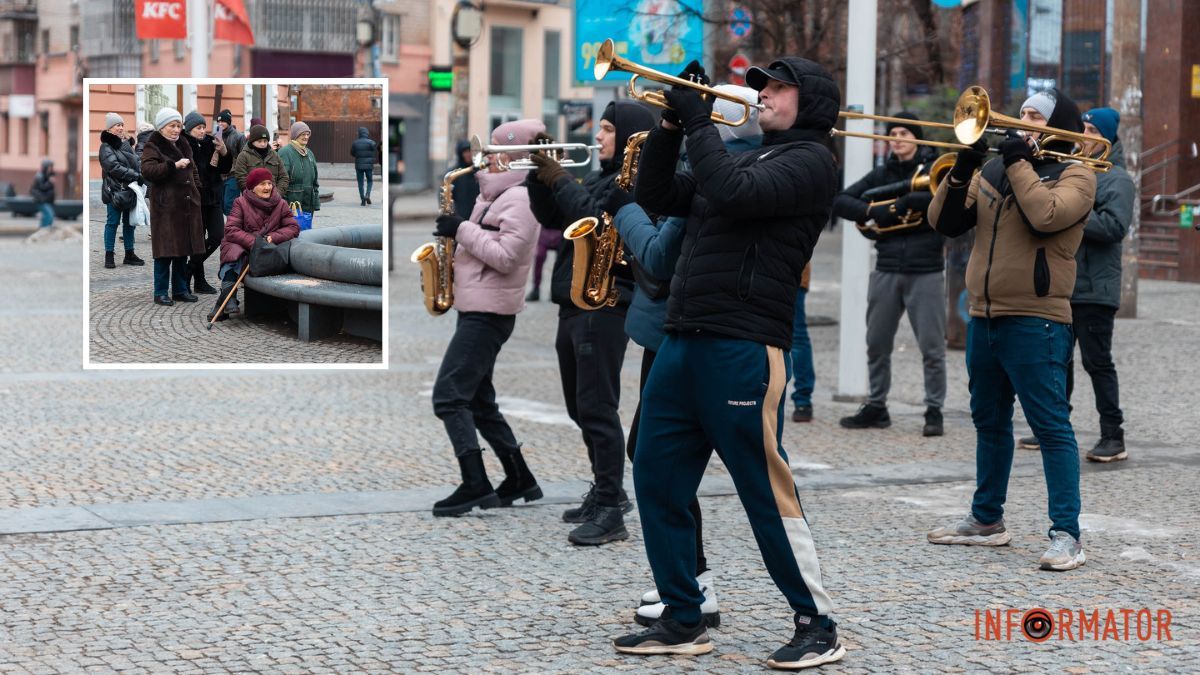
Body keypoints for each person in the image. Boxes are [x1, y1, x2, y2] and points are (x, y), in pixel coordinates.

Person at [613, 57, 845, 669]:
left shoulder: (813, 163)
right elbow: (659, 194)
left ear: (810, 102)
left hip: (744, 347)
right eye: (761, 88)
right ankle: (683, 615)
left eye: (776, 89)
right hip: (684, 339)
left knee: (764, 491)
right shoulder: (749, 157)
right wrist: (669, 128)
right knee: (656, 478)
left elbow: (732, 193)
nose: (762, 96)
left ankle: (817, 623)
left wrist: (698, 124)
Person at [609, 83, 764, 631]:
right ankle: (688, 583)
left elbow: (656, 256)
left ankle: (697, 585)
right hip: (670, 332)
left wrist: (623, 210)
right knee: (659, 459)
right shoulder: (708, 169)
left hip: (688, 334)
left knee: (666, 461)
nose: (602, 137)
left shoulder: (720, 176)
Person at [926, 88, 1096, 571]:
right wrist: (963, 169)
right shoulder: (996, 170)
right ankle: (986, 520)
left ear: (1057, 125)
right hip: (984, 314)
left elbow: (1046, 216)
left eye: (1033, 116)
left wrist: (1018, 162)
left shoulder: (1078, 175)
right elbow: (944, 222)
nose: (1021, 121)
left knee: (1051, 428)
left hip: (1037, 319)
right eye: (1020, 113)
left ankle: (1067, 534)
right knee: (989, 422)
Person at [524, 100, 656, 546]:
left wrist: (559, 176)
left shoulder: (635, 184)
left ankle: (610, 509)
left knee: (598, 406)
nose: (597, 137)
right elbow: (552, 218)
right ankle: (609, 491)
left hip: (606, 304)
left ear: (630, 137)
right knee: (578, 407)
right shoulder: (603, 176)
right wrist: (538, 174)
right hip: (575, 300)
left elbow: (594, 221)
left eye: (606, 130)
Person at [428, 119, 545, 517]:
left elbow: (506, 256)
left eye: (493, 152)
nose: (484, 159)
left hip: (489, 312)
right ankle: (520, 477)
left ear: (513, 156)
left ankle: (475, 483)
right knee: (479, 401)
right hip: (478, 306)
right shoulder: (497, 194)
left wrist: (460, 229)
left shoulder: (521, 198)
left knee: (449, 395)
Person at [1018, 108, 1133, 463]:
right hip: (1065, 283)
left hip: (1097, 288)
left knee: (1097, 364)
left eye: (1091, 129)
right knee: (1059, 361)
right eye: (1082, 128)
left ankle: (1113, 436)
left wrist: (1073, 209)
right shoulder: (1072, 170)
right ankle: (1053, 428)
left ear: (1107, 138)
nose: (1083, 135)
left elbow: (1115, 227)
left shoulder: (1119, 179)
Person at [833, 112, 947, 436]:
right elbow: (840, 201)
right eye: (892, 133)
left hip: (926, 269)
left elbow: (950, 200)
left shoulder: (935, 170)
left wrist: (908, 202)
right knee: (876, 342)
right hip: (886, 267)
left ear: (918, 137)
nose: (896, 138)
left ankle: (934, 410)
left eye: (904, 133)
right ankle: (877, 405)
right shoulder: (881, 174)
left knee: (932, 347)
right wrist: (873, 211)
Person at [209, 168, 300, 322]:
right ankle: (230, 297)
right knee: (233, 250)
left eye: (269, 183)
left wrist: (273, 237)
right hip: (247, 245)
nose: (267, 187)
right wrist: (255, 242)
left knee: (239, 254)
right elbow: (231, 230)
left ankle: (224, 300)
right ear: (252, 187)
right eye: (262, 184)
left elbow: (293, 227)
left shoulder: (281, 204)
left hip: (268, 248)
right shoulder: (241, 202)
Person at [140, 107, 206, 307]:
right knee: (165, 252)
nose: (177, 130)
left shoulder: (185, 143)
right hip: (166, 207)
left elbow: (193, 170)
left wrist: (197, 190)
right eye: (172, 126)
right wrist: (172, 166)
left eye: (179, 126)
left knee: (183, 250)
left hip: (187, 205)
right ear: (161, 127)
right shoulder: (153, 145)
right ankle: (160, 292)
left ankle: (180, 290)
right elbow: (147, 171)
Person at [182, 111, 233, 295]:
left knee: (217, 236)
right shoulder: (183, 144)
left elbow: (225, 168)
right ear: (189, 129)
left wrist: (224, 151)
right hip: (195, 199)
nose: (202, 131)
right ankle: (199, 281)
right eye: (198, 128)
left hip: (213, 198)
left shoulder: (211, 143)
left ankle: (188, 270)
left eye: (203, 127)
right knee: (197, 241)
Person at [98, 112, 145, 268]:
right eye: (117, 125)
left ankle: (129, 254)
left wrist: (127, 145)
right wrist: (135, 175)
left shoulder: (124, 144)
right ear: (109, 129)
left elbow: (135, 161)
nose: (120, 128)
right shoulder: (105, 146)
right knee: (112, 222)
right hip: (114, 191)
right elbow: (113, 167)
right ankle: (109, 255)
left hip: (129, 189)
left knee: (129, 223)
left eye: (122, 125)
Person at [278, 121, 320, 225]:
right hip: (292, 205)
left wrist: (316, 203)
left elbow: (315, 182)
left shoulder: (309, 154)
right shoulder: (285, 152)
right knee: (292, 235)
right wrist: (284, 205)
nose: (306, 137)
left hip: (308, 205)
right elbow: (280, 181)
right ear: (295, 135)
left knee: (306, 233)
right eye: (303, 134)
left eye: (307, 134)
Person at [233, 125, 289, 196]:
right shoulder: (243, 156)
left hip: (273, 199)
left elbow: (284, 177)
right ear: (252, 141)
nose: (263, 144)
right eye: (259, 141)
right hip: (252, 200)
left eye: (265, 141)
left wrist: (277, 194)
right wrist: (253, 195)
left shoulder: (274, 155)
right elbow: (241, 178)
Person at [215, 109, 246, 216]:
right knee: (221, 205)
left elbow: (243, 157)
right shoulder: (217, 135)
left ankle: (232, 229)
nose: (220, 124)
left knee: (230, 206)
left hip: (233, 175)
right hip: (219, 176)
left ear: (228, 121)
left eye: (222, 121)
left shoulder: (239, 136)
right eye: (218, 122)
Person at [450, 139, 480, 219]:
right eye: (465, 152)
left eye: (469, 151)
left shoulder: (481, 171)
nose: (468, 155)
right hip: (460, 216)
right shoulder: (454, 173)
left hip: (478, 216)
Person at [351, 127, 378, 206]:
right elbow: (375, 152)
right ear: (367, 133)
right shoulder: (371, 143)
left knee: (360, 183)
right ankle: (368, 194)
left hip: (359, 165)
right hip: (369, 165)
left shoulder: (355, 143)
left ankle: (363, 200)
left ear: (359, 133)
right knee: (370, 181)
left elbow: (352, 153)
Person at [30, 159, 55, 228]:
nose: (51, 169)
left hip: (46, 200)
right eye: (49, 167)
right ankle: (43, 229)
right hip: (41, 200)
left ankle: (44, 230)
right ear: (46, 167)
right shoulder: (39, 176)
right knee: (49, 215)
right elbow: (42, 187)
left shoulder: (47, 175)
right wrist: (50, 182)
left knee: (49, 215)